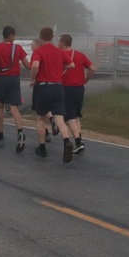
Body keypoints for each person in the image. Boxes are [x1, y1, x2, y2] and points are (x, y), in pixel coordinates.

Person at [29, 26, 77, 162]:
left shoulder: (39, 51)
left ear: (40, 36)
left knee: (40, 118)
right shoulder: (59, 51)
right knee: (59, 118)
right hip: (58, 87)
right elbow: (72, 65)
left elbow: (35, 66)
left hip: (43, 87)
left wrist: (33, 79)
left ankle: (42, 148)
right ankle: (67, 140)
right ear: (53, 37)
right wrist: (62, 67)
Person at [0, 25, 30, 152]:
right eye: (14, 35)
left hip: (2, 78)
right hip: (14, 79)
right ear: (11, 35)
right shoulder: (18, 48)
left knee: (0, 105)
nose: (15, 37)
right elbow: (27, 65)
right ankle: (20, 131)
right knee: (14, 107)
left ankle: (0, 135)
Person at [58, 33, 96, 153]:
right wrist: (86, 79)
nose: (58, 44)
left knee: (70, 117)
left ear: (63, 43)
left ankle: (78, 142)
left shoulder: (61, 55)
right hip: (80, 88)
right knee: (76, 115)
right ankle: (79, 138)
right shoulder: (80, 55)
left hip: (67, 88)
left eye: (59, 42)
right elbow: (93, 68)